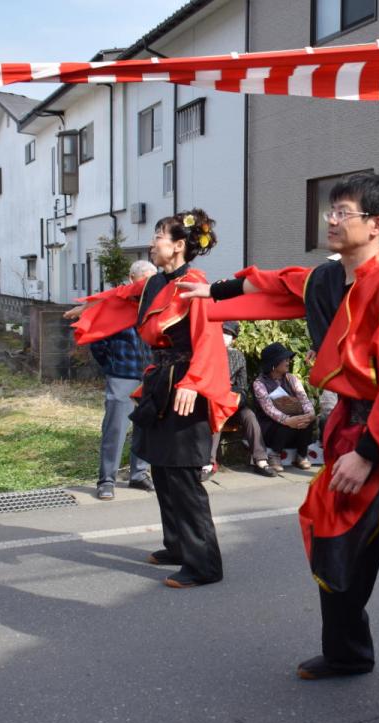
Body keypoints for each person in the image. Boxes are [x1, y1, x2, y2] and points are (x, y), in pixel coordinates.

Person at [181, 173, 379, 723]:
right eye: (331, 210)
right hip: (351, 429)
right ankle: (348, 653)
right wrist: (213, 292)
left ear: (376, 225)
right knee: (333, 543)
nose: (331, 219)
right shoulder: (327, 278)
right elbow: (277, 284)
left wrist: (367, 455)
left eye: (343, 211)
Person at [68, 209, 238, 589]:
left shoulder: (195, 284)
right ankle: (177, 545)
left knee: (182, 474)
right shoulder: (155, 283)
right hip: (160, 381)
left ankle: (204, 564)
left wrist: (195, 382)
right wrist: (90, 306)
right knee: (161, 468)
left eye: (159, 235)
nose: (152, 242)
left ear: (178, 246)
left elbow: (209, 339)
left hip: (187, 385)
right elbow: (122, 296)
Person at [87, 259, 156, 500]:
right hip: (122, 375)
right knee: (115, 429)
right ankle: (107, 480)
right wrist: (111, 365)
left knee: (146, 427)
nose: (147, 286)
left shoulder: (154, 305)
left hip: (149, 375)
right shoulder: (115, 304)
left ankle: (139, 474)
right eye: (143, 280)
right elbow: (97, 341)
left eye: (152, 281)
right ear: (131, 279)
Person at [205, 320, 275, 480]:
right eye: (222, 332)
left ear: (234, 339)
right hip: (212, 403)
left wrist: (231, 397)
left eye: (228, 334)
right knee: (215, 412)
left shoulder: (238, 356)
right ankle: (208, 463)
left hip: (232, 401)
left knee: (249, 416)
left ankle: (260, 460)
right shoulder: (207, 353)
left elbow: (242, 387)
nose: (224, 336)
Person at [252, 341, 316, 471]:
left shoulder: (292, 379)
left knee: (307, 420)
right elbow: (269, 409)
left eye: (288, 359)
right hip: (271, 427)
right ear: (273, 363)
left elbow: (304, 400)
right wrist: (288, 420)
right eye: (284, 359)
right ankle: (274, 454)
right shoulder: (259, 383)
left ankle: (302, 455)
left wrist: (310, 414)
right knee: (284, 424)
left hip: (294, 425)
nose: (288, 362)